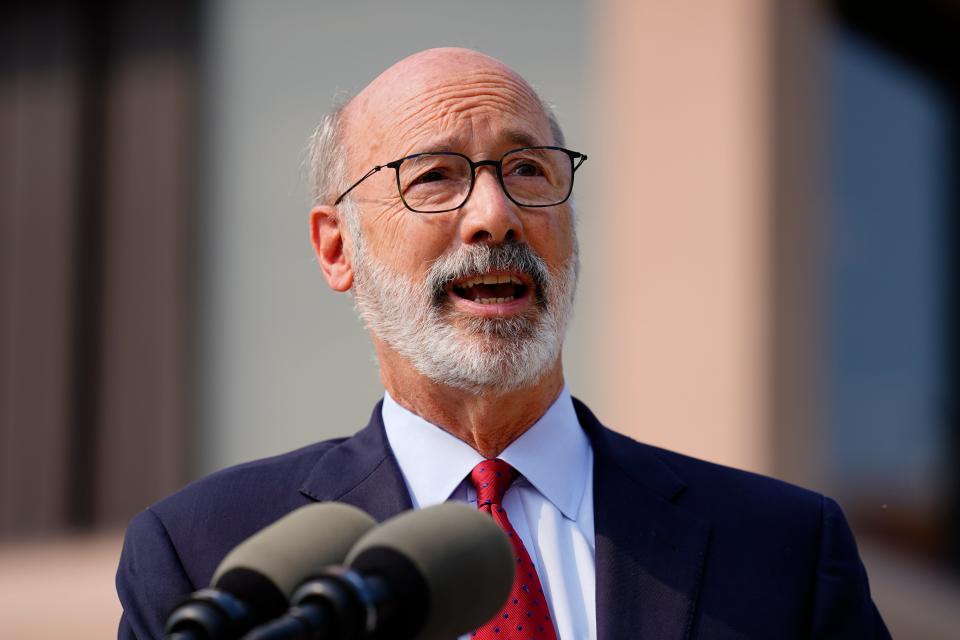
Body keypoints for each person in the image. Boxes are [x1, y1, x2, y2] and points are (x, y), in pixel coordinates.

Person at [116, 48, 889, 639]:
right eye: (436, 178)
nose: (495, 214)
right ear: (336, 249)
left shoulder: (782, 548)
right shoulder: (206, 557)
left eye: (526, 170)